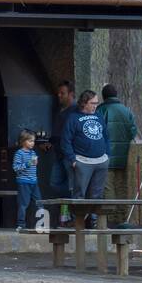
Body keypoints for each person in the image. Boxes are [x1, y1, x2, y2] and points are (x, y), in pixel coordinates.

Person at [60, 90, 110, 226]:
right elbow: (65, 141)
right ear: (84, 103)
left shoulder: (99, 116)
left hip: (101, 160)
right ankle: (78, 222)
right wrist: (73, 160)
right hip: (82, 160)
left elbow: (106, 136)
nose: (95, 106)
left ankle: (93, 221)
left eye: (96, 103)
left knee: (97, 194)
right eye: (92, 103)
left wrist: (107, 156)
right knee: (79, 193)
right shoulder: (73, 118)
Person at [96, 84, 138, 220]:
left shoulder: (101, 110)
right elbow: (133, 132)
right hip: (124, 157)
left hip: (105, 156)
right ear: (116, 94)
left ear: (103, 96)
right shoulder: (127, 111)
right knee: (121, 187)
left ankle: (110, 219)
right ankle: (122, 217)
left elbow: (97, 133)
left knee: (108, 188)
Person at [48, 80, 78, 226]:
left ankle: (73, 217)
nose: (59, 95)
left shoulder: (75, 111)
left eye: (62, 93)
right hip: (58, 155)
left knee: (72, 186)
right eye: (58, 93)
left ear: (71, 94)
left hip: (69, 155)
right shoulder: (60, 111)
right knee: (54, 184)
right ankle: (68, 206)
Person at [12, 129, 40, 231]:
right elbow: (16, 168)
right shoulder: (19, 153)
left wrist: (35, 163)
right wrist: (28, 164)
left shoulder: (33, 152)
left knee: (39, 202)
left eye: (33, 141)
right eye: (30, 141)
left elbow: (33, 166)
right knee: (23, 204)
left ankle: (41, 224)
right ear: (23, 141)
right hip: (24, 182)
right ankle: (21, 225)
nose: (33, 143)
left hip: (34, 181)